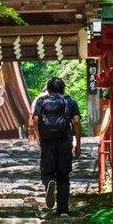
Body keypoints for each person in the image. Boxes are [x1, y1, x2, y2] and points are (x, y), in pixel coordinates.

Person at [32, 76, 82, 215]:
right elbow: (76, 122)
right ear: (63, 88)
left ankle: (49, 183)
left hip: (47, 141)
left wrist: (39, 138)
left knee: (46, 172)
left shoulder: (41, 101)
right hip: (64, 141)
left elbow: (35, 120)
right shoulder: (70, 101)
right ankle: (63, 210)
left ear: (48, 89)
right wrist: (77, 143)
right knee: (64, 176)